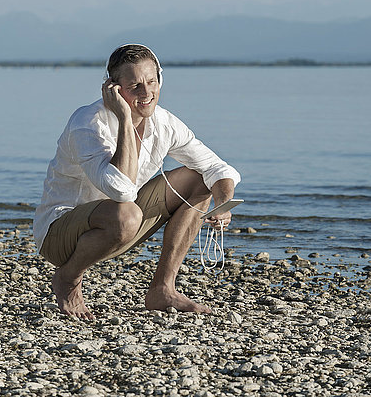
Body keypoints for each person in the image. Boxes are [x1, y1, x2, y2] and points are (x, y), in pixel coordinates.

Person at [33, 44, 241, 320]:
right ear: (113, 88)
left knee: (200, 180)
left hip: (120, 224)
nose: (146, 93)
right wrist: (123, 118)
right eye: (135, 86)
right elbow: (121, 189)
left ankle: (162, 289)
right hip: (61, 235)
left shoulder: (164, 122)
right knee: (127, 212)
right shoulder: (88, 123)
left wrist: (222, 204)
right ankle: (68, 279)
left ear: (160, 80)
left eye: (152, 81)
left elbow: (217, 167)